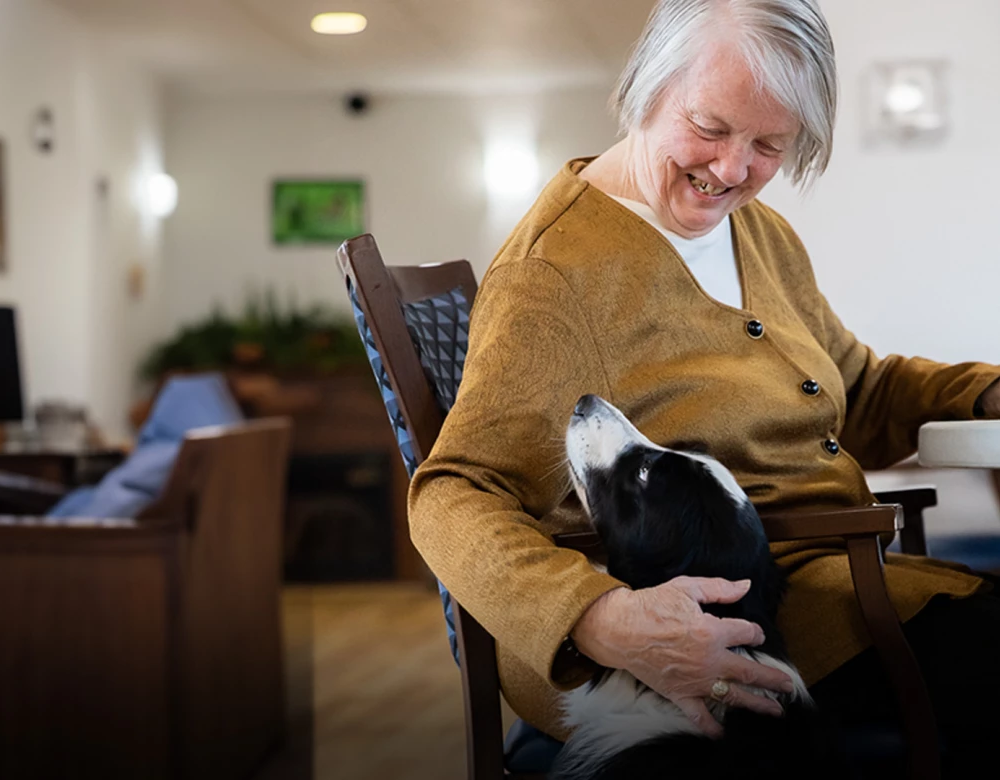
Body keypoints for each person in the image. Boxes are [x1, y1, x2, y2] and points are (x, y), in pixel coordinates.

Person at [406, 0, 1000, 774]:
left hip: (834, 581)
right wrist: (596, 616)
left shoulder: (759, 231)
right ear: (647, 87)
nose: (730, 170)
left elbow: (857, 390)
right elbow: (453, 493)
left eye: (767, 145)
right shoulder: (553, 278)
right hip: (763, 620)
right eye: (711, 128)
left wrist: (987, 394)